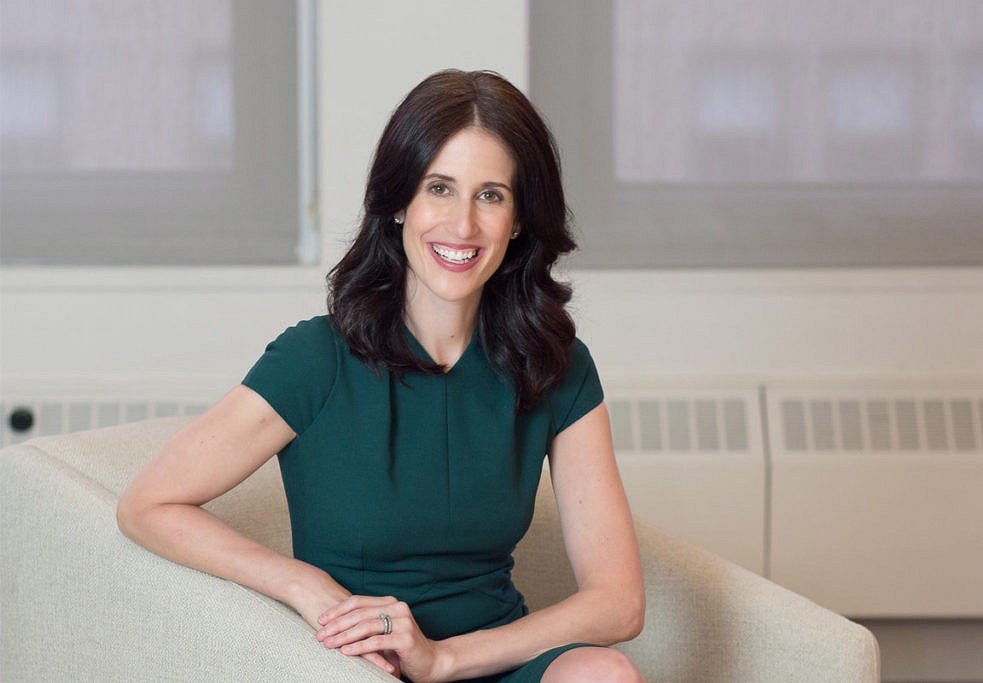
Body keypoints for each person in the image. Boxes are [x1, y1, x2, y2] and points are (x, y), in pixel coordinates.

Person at [117, 69, 644, 683]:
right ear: (399, 202)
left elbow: (619, 602)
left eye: (491, 196)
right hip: (361, 667)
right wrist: (305, 586)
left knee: (605, 674)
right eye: (439, 188)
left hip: (491, 660)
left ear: (520, 218)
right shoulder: (315, 359)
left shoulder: (555, 364)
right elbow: (147, 505)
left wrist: (446, 659)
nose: (463, 226)